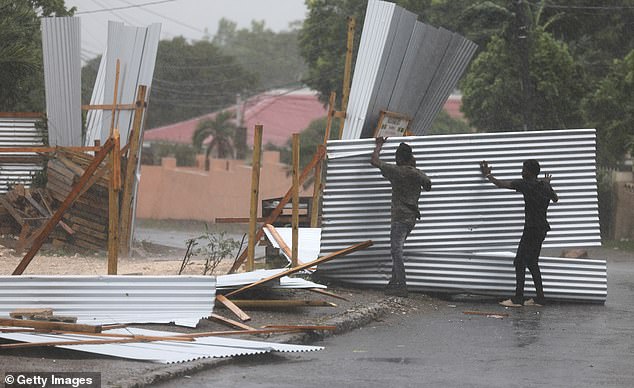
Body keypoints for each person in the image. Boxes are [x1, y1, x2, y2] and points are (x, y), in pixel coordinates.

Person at [479, 159, 559, 307]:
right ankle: (540, 299)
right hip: (541, 229)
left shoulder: (525, 184)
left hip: (531, 229)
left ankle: (518, 299)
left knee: (519, 262)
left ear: (530, 172)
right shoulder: (544, 186)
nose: (522, 172)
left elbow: (501, 184)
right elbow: (555, 199)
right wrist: (548, 183)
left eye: (524, 170)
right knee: (532, 262)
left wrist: (488, 175)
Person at [371, 137, 432, 297]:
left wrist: (378, 145)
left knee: (396, 251)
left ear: (399, 158)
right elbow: (428, 185)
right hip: (411, 219)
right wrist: (414, 168)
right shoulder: (417, 173)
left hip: (399, 218)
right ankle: (393, 283)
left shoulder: (396, 171)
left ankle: (401, 285)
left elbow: (374, 161)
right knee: (397, 249)